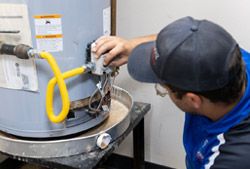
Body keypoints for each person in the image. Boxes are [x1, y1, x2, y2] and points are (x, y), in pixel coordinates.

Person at [92, 16, 250, 169]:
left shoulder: (228, 158)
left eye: (163, 88)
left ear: (193, 100)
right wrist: (130, 45)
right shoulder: (229, 59)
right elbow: (187, 41)